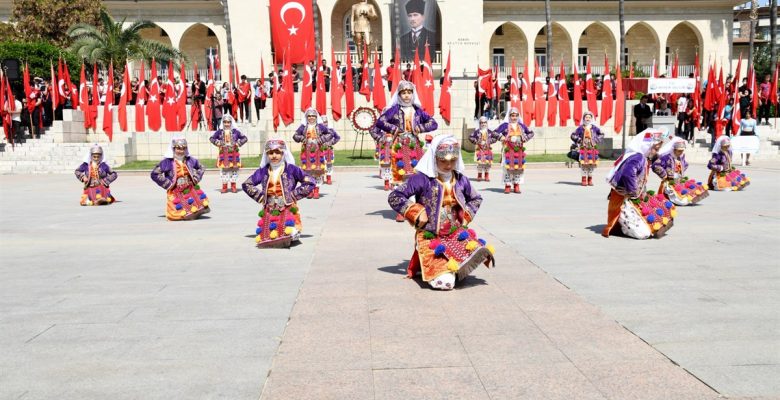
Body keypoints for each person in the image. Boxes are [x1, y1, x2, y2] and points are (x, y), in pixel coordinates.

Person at [387, 134, 495, 290]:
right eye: (443, 161)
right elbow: (395, 196)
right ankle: (443, 269)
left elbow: (476, 198)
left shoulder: (461, 179)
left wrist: (465, 216)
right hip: (431, 234)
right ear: (434, 158)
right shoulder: (422, 179)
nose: (448, 165)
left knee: (479, 252)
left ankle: (452, 268)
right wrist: (417, 212)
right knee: (446, 283)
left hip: (455, 233)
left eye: (453, 161)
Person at [371, 80, 438, 200]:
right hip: (399, 146)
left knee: (416, 172)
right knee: (400, 173)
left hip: (415, 146)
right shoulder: (394, 110)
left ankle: (415, 201)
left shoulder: (418, 111)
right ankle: (401, 202)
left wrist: (420, 127)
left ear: (413, 94)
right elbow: (380, 122)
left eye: (409, 92)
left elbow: (433, 123)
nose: (406, 95)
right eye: (403, 93)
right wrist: (394, 129)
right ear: (399, 95)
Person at [243, 139, 316, 248]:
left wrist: (293, 195)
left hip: (287, 206)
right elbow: (246, 184)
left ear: (283, 153)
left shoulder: (291, 169)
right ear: (267, 154)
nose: (274, 156)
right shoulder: (263, 171)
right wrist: (262, 197)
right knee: (266, 236)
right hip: (269, 207)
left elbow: (310, 182)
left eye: (277, 152)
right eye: (270, 153)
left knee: (286, 230)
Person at [603, 129, 675, 239]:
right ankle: (625, 227)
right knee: (643, 233)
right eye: (656, 149)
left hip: (631, 196)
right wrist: (634, 192)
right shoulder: (638, 157)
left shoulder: (641, 157)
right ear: (647, 146)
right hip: (624, 198)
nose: (657, 152)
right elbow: (628, 174)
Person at [150, 136, 210, 221]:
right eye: (178, 149)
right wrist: (168, 184)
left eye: (183, 149)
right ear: (173, 148)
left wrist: (196, 178)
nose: (181, 151)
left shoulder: (189, 160)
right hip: (175, 189)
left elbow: (202, 167)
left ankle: (196, 213)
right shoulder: (167, 162)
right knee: (178, 210)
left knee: (199, 203)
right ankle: (189, 214)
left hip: (189, 186)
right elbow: (154, 174)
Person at [292, 108, 337, 199]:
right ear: (306, 117)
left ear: (316, 117)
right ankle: (310, 191)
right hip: (306, 152)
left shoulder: (320, 126)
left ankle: (316, 191)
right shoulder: (303, 127)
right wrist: (302, 139)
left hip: (318, 152)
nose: (311, 118)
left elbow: (330, 133)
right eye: (309, 116)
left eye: (313, 116)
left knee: (317, 171)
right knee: (308, 172)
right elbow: (295, 136)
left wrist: (321, 140)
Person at [651, 136, 708, 206]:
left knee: (697, 190)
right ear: (674, 150)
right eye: (679, 151)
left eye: (682, 151)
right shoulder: (666, 157)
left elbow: (686, 164)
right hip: (669, 182)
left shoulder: (681, 157)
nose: (681, 152)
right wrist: (664, 174)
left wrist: (680, 173)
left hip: (679, 181)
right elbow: (655, 165)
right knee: (681, 201)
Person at [495, 107, 534, 194]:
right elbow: (494, 133)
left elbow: (531, 133)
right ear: (509, 116)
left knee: (518, 167)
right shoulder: (505, 125)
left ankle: (516, 185)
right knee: (507, 168)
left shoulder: (521, 126)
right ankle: (507, 186)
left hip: (518, 150)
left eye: (516, 115)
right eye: (512, 115)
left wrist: (524, 138)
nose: (514, 117)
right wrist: (502, 138)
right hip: (507, 149)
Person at [210, 114, 248, 193]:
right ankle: (224, 187)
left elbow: (245, 138)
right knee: (224, 170)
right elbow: (211, 138)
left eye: (228, 122)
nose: (227, 124)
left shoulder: (236, 132)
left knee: (234, 170)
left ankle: (233, 186)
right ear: (223, 123)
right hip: (224, 153)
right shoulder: (220, 132)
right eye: (225, 122)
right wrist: (218, 142)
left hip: (234, 154)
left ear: (231, 123)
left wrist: (238, 143)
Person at [570, 110, 604, 186]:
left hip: (592, 148)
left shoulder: (595, 128)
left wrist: (595, 140)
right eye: (586, 117)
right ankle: (584, 179)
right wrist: (580, 140)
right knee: (584, 164)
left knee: (592, 164)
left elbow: (602, 134)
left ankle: (590, 179)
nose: (587, 119)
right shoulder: (580, 128)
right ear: (583, 118)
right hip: (583, 148)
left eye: (589, 117)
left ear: (591, 119)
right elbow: (573, 135)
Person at [468, 116, 501, 181]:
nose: (483, 124)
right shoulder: (477, 132)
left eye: (484, 122)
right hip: (479, 149)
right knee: (480, 164)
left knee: (487, 163)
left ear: (487, 123)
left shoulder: (490, 131)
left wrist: (489, 141)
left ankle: (486, 175)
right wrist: (478, 142)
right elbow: (470, 137)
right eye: (481, 123)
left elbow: (496, 137)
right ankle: (479, 175)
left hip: (487, 149)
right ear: (479, 123)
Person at [320, 115, 340, 185]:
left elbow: (337, 137)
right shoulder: (317, 130)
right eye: (323, 122)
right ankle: (321, 178)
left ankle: (329, 178)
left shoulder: (331, 130)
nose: (324, 123)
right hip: (320, 150)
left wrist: (331, 142)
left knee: (329, 164)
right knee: (320, 164)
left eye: (325, 122)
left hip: (328, 150)